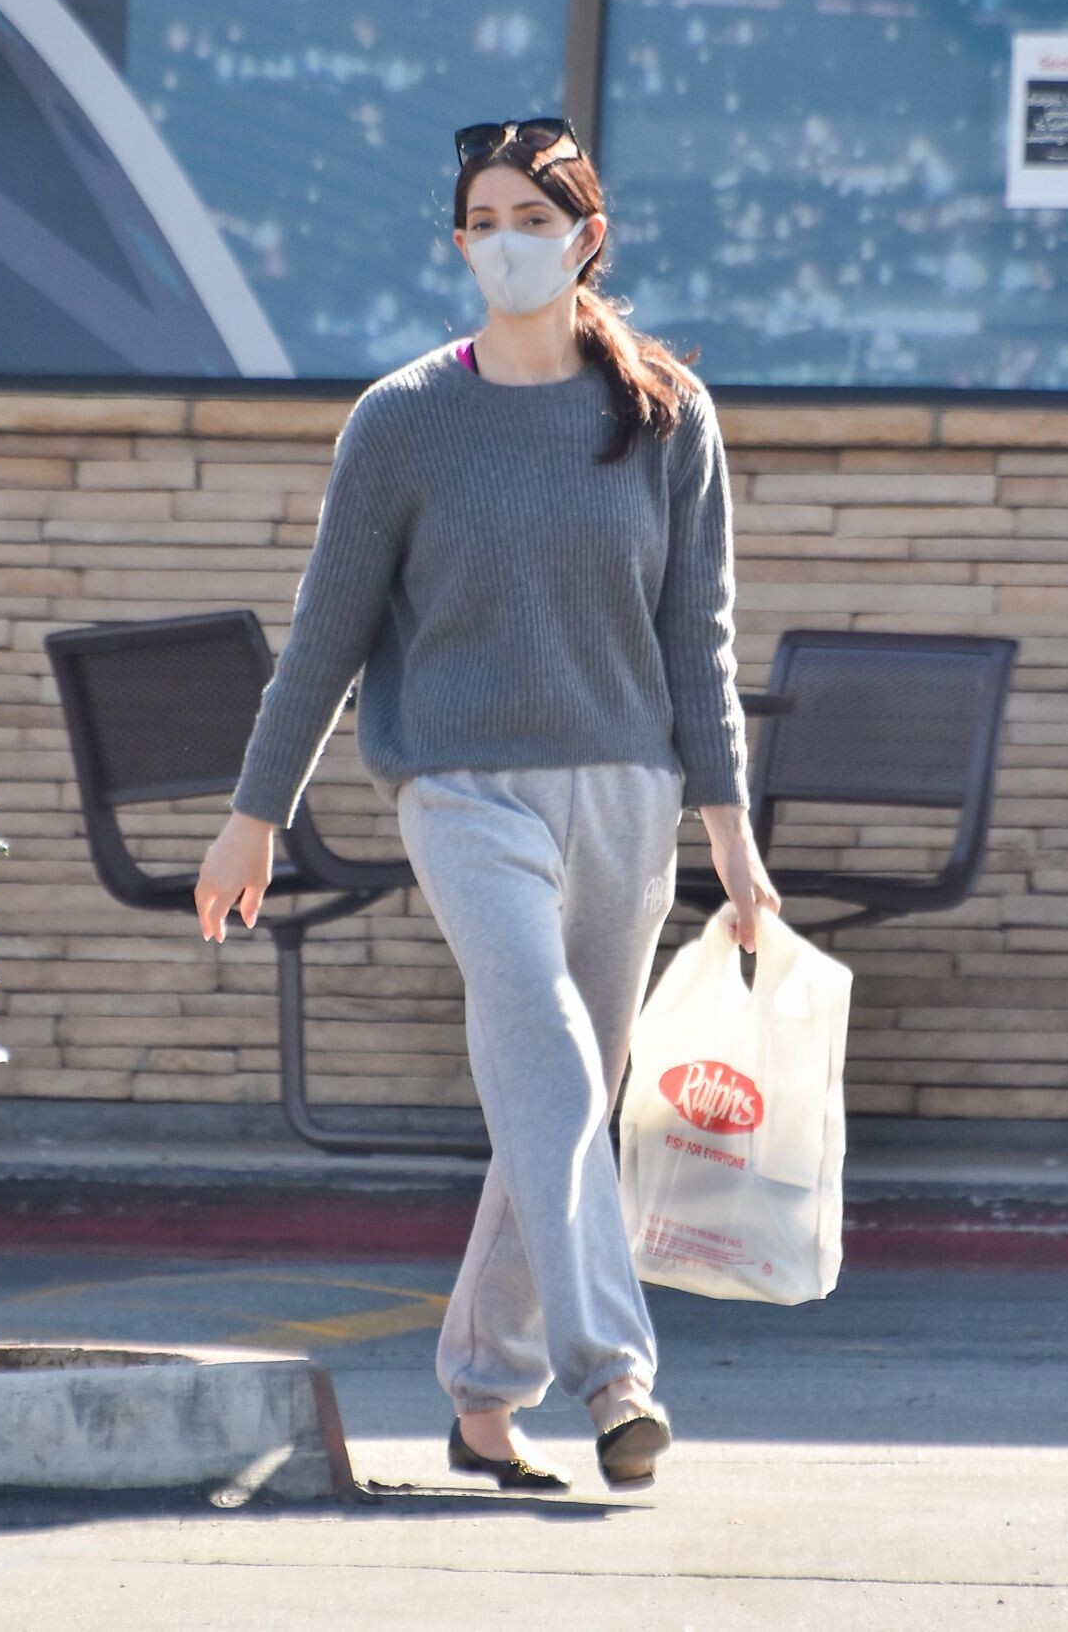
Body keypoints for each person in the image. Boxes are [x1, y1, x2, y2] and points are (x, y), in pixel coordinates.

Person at [194, 114, 782, 1493]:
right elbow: (328, 634)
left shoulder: (665, 418)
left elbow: (698, 643)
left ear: (587, 237)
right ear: (458, 244)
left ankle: (481, 1394)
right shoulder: (403, 421)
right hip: (460, 792)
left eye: (535, 217)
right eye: (485, 222)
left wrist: (732, 840)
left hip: (626, 797)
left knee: (550, 1100)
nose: (508, 242)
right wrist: (253, 813)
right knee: (553, 1063)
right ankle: (617, 1378)